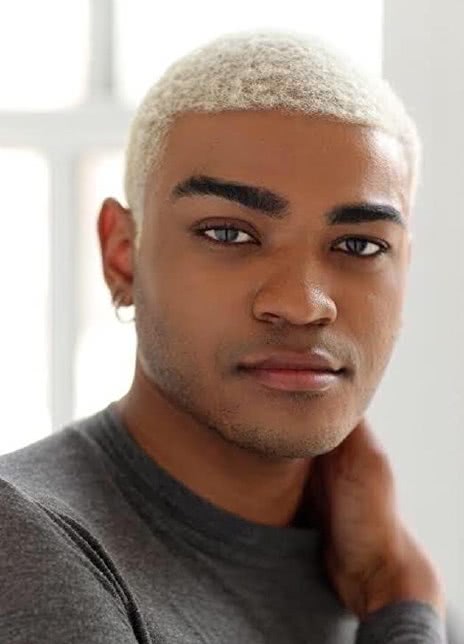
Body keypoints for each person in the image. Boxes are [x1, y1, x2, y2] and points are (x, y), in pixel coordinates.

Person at [0, 30, 462, 643]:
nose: (302, 304)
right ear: (122, 254)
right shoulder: (28, 545)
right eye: (229, 234)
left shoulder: (390, 583)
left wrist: (393, 597)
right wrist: (401, 608)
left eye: (359, 245)